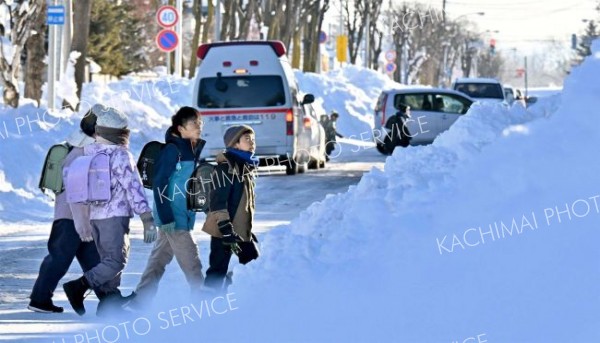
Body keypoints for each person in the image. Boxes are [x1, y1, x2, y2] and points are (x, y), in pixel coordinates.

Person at [62, 104, 157, 316]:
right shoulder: (121, 155)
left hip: (96, 216)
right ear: (121, 134)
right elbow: (134, 187)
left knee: (107, 259)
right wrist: (146, 217)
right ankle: (79, 286)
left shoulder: (89, 153)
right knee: (117, 260)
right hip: (115, 216)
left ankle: (109, 301)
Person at [129, 107, 206, 308]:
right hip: (173, 215)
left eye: (200, 123)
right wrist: (166, 216)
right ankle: (202, 301)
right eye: (194, 124)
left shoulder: (190, 149)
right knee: (192, 260)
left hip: (182, 213)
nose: (199, 127)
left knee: (158, 260)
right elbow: (160, 182)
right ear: (180, 128)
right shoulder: (173, 150)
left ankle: (140, 299)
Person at [28, 113, 101, 313]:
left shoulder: (82, 147)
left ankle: (110, 298)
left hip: (81, 217)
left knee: (95, 260)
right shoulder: (81, 152)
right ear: (96, 130)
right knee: (59, 258)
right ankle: (39, 299)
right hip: (70, 217)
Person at [202, 125, 258, 291]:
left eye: (253, 139)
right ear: (235, 144)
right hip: (224, 230)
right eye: (247, 139)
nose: (252, 143)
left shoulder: (245, 167)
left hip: (239, 229)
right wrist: (225, 228)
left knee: (252, 263)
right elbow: (218, 201)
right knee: (217, 269)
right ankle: (206, 302)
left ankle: (235, 290)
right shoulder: (226, 169)